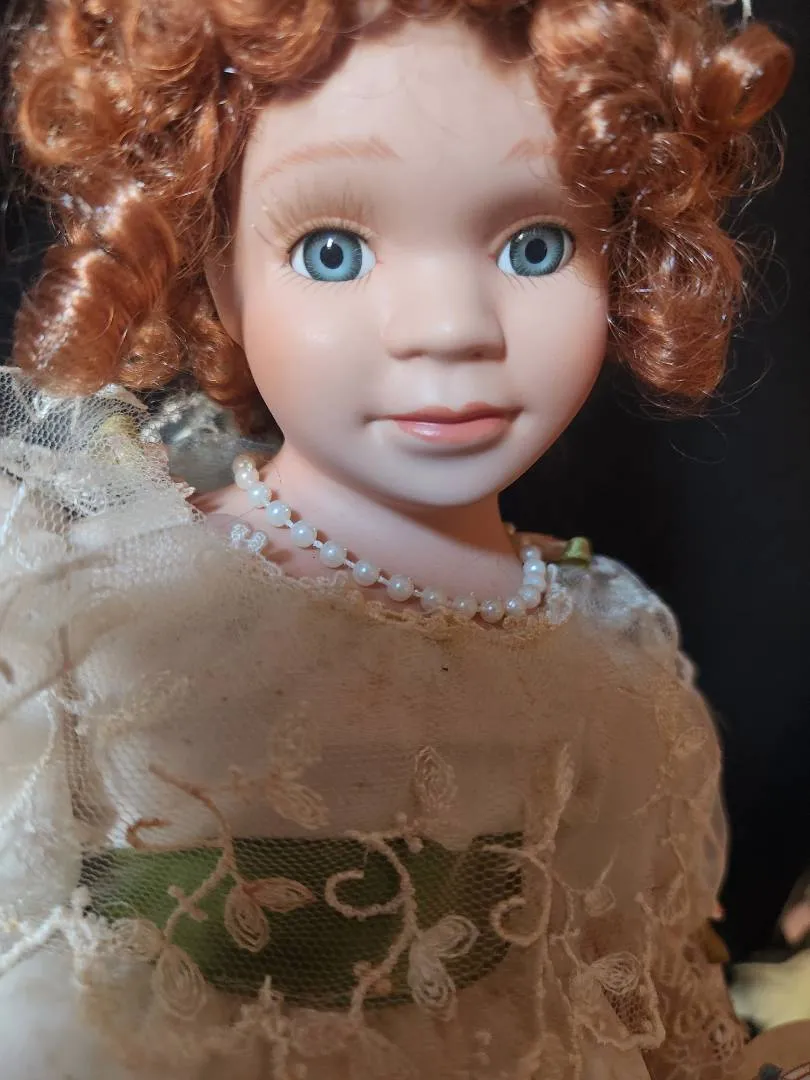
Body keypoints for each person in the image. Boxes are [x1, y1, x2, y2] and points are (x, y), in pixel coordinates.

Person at [0, 0, 802, 1076]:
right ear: (215, 268)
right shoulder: (105, 604)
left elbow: (629, 994)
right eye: (332, 251)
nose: (451, 327)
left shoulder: (613, 664)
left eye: (536, 245)